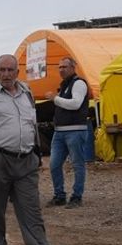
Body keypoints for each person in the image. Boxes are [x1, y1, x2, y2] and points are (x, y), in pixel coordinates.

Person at [0, 55, 64, 245]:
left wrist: (36, 152)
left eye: (10, 70)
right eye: (2, 70)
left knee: (31, 207)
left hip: (26, 159)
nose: (6, 74)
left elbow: (31, 124)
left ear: (17, 72)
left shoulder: (27, 93)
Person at [45, 57, 90, 208]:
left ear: (73, 67)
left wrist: (55, 99)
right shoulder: (65, 85)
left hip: (75, 130)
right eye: (59, 67)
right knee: (54, 164)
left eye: (64, 66)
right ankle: (59, 195)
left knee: (78, 164)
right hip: (61, 131)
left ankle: (77, 196)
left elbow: (76, 104)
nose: (61, 69)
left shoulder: (78, 83)